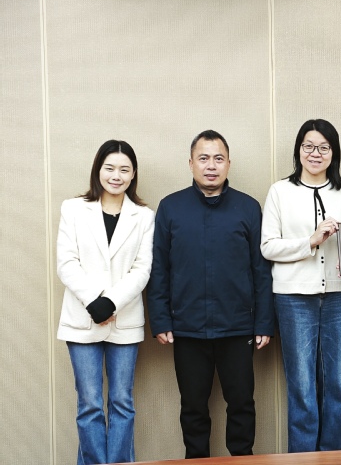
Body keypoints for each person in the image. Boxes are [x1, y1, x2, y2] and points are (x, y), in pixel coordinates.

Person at [147, 130, 274, 459]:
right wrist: (160, 319)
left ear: (229, 163)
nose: (211, 166)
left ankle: (242, 459)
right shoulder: (171, 207)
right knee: (193, 407)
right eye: (203, 158)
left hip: (238, 327)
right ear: (191, 163)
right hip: (187, 327)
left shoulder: (248, 207)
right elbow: (159, 268)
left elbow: (261, 271)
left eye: (218, 158)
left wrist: (263, 323)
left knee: (242, 404)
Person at [260, 119, 341, 452]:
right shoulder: (280, 191)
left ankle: (339, 455)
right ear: (299, 150)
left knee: (337, 380)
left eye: (324, 147)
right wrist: (311, 241)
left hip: (340, 296)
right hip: (293, 297)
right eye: (309, 146)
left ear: (334, 152)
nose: (315, 153)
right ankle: (303, 456)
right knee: (301, 383)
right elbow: (268, 247)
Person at [56, 140, 154, 464]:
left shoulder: (144, 216)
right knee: (89, 404)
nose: (116, 175)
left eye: (124, 169)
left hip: (124, 320)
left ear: (133, 174)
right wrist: (94, 302)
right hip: (82, 318)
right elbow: (66, 262)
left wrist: (110, 303)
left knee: (122, 402)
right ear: (98, 169)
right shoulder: (73, 209)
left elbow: (142, 268)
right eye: (109, 168)